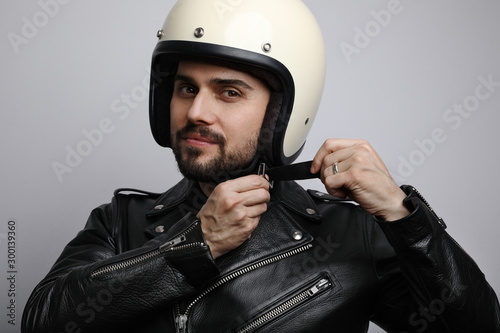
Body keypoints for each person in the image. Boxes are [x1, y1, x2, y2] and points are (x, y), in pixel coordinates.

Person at [22, 0, 500, 332]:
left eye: (229, 92)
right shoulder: (120, 223)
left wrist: (404, 216)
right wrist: (192, 248)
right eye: (186, 88)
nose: (195, 112)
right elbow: (43, 321)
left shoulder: (352, 236)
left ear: (281, 115)